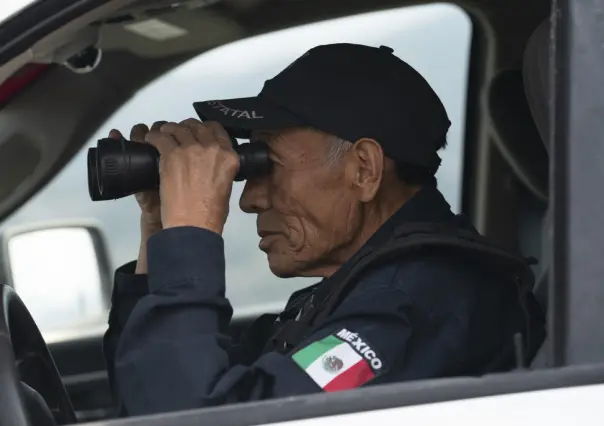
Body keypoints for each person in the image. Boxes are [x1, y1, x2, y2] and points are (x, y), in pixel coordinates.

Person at [103, 43, 546, 417]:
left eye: (266, 165)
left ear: (364, 169)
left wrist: (191, 238)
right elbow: (153, 398)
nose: (248, 198)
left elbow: (192, 419)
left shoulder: (417, 305)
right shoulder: (353, 294)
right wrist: (160, 229)